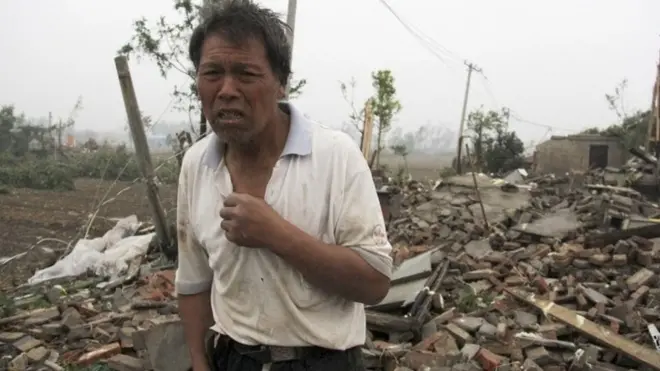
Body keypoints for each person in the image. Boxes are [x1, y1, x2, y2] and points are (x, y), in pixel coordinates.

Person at [174, 1, 393, 370]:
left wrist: (276, 234)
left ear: (280, 83)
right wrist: (199, 361)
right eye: (212, 73)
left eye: (245, 74)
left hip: (324, 362)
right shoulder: (197, 165)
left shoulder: (335, 157)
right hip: (234, 358)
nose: (226, 90)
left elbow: (374, 283)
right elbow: (193, 282)